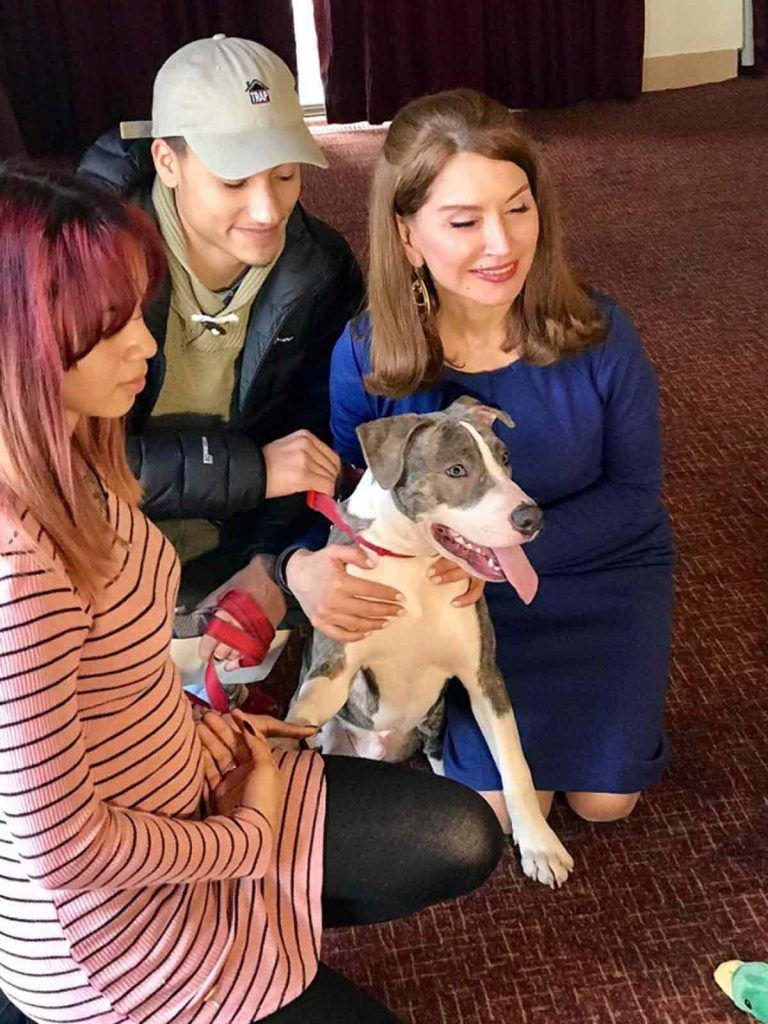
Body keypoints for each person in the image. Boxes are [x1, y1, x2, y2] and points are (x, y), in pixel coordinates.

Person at [0, 167, 504, 1024]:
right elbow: (66, 852)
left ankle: (262, 922)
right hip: (106, 924)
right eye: (110, 329)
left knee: (460, 835)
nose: (146, 346)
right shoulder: (18, 568)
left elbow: (111, 682)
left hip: (185, 776)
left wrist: (205, 726)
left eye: (139, 315)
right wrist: (246, 836)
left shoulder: (79, 453)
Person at [280, 89, 675, 827]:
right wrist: (299, 567)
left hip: (597, 574)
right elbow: (345, 492)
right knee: (488, 813)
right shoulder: (368, 353)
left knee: (605, 802)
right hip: (453, 601)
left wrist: (494, 554)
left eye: (518, 208)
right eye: (464, 222)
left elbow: (634, 496)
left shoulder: (599, 333)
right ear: (407, 235)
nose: (502, 244)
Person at [78, 35, 369, 674]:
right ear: (168, 161)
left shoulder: (320, 270)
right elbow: (59, 463)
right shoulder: (78, 263)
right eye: (234, 179)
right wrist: (251, 470)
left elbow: (316, 441)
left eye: (286, 175)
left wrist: (273, 565)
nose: (268, 209)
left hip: (231, 544)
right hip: (88, 542)